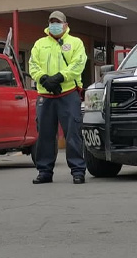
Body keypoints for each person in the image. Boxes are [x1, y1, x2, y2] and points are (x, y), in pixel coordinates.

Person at [28, 11, 88, 184]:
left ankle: (78, 171)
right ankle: (44, 172)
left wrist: (60, 77)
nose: (54, 25)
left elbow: (78, 64)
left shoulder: (75, 43)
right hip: (45, 95)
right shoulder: (40, 44)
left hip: (68, 93)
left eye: (58, 22)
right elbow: (33, 64)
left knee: (73, 133)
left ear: (65, 25)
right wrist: (43, 78)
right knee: (45, 135)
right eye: (52, 22)